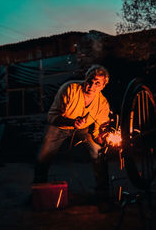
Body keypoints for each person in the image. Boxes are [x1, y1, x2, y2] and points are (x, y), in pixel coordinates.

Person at [33, 64, 111, 211]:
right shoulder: (69, 89)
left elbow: (99, 129)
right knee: (43, 156)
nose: (92, 86)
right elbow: (52, 116)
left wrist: (101, 138)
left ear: (103, 86)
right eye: (90, 80)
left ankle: (103, 195)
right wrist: (71, 122)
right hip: (60, 126)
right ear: (85, 78)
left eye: (97, 83)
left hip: (83, 129)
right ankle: (38, 193)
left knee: (98, 153)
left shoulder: (102, 104)